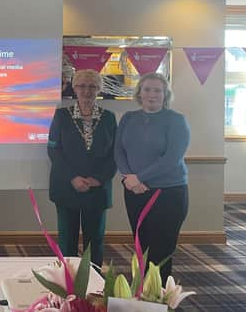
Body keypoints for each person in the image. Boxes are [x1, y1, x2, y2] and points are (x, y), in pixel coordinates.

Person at [115, 72, 190, 284]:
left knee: (161, 251)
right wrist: (128, 178)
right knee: (141, 247)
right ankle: (141, 295)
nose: (152, 94)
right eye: (147, 89)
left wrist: (138, 177)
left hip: (168, 194)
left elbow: (172, 158)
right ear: (139, 93)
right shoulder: (128, 118)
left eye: (157, 90)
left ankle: (160, 298)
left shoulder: (176, 120)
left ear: (165, 94)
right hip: (135, 192)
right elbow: (118, 151)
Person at [47, 69, 117, 268]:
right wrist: (73, 178)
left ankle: (93, 282)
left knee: (95, 242)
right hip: (67, 187)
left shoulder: (109, 118)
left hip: (97, 189)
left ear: (99, 90)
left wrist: (99, 179)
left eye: (92, 86)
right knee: (67, 241)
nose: (87, 91)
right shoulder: (61, 115)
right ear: (75, 88)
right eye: (82, 86)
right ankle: (67, 281)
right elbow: (54, 150)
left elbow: (115, 153)